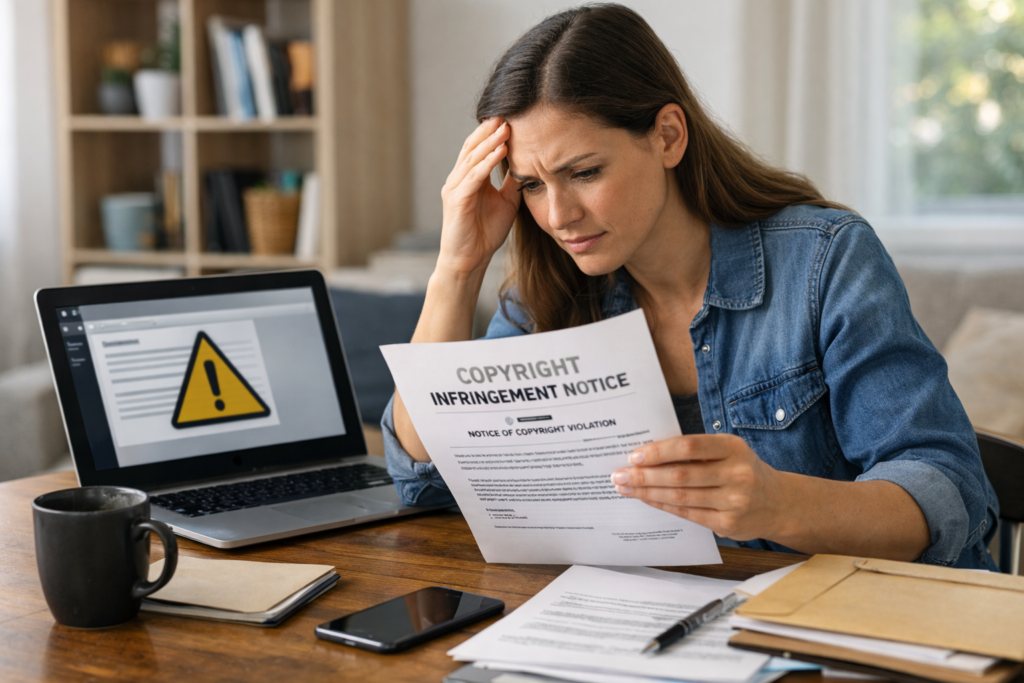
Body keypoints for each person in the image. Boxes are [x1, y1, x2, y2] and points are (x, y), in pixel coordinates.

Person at [381, 3, 999, 569]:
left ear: (668, 136)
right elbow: (422, 476)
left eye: (585, 172)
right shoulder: (548, 295)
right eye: (533, 185)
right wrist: (457, 269)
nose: (558, 216)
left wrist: (779, 502)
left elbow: (947, 487)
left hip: (844, 619)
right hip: (652, 622)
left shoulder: (823, 261)